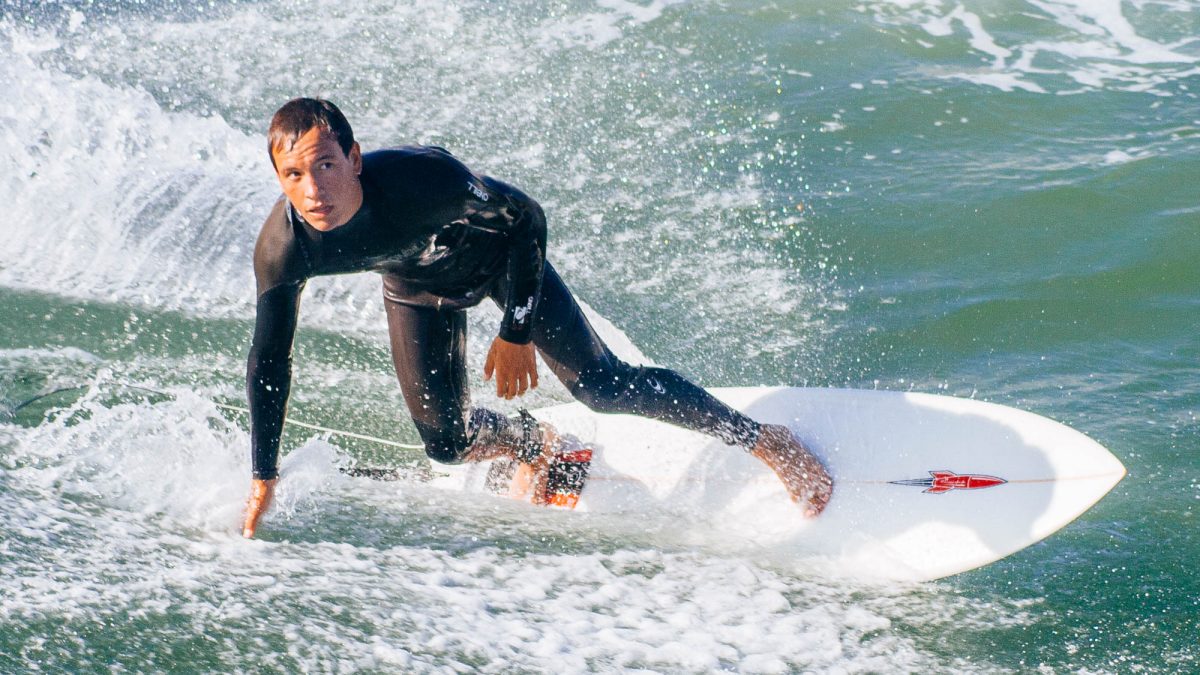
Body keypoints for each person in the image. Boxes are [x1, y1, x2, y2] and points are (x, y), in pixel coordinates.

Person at [241, 98, 832, 538]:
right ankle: (536, 443)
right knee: (447, 446)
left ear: (355, 159)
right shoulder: (285, 248)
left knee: (602, 386)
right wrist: (263, 471)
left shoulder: (426, 182)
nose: (314, 190)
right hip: (420, 291)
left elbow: (526, 217)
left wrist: (515, 330)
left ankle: (762, 440)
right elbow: (270, 359)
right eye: (293, 175)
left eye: (324, 166)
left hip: (502, 262)